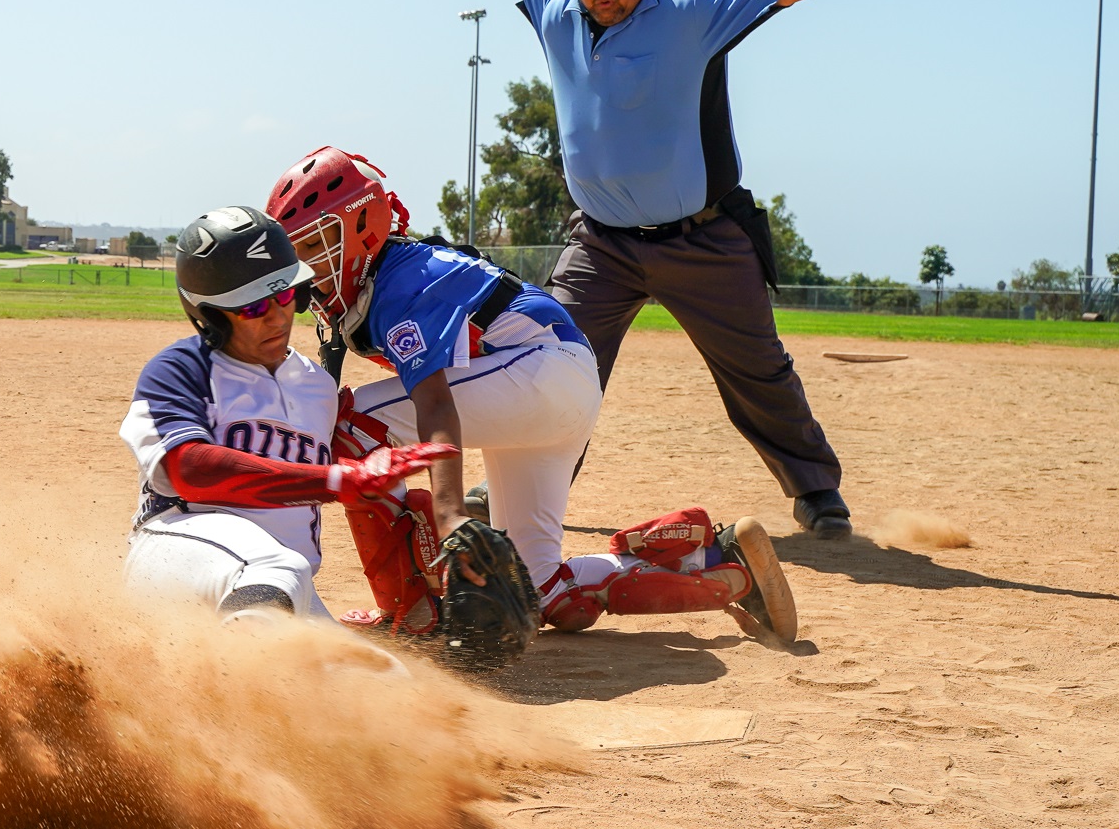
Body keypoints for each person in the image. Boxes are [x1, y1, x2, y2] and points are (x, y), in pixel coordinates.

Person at [412, 0, 892, 540]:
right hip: (601, 241)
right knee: (551, 360)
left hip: (702, 238)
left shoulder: (693, 8)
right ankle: (519, 487)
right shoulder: (558, 2)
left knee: (757, 369)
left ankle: (815, 488)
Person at [267, 147, 797, 640]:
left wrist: (449, 512)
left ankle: (413, 610)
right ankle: (712, 561)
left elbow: (434, 404)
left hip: (539, 372)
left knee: (355, 429)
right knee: (542, 589)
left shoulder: (405, 280)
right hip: (548, 385)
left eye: (317, 244)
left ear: (363, 225)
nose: (307, 264)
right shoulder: (369, 285)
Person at [119, 205, 450, 625]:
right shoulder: (181, 368)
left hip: (278, 589)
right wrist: (338, 480)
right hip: (179, 552)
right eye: (253, 307)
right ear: (207, 314)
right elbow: (188, 468)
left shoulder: (318, 387)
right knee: (279, 568)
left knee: (374, 677)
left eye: (285, 295)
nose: (277, 317)